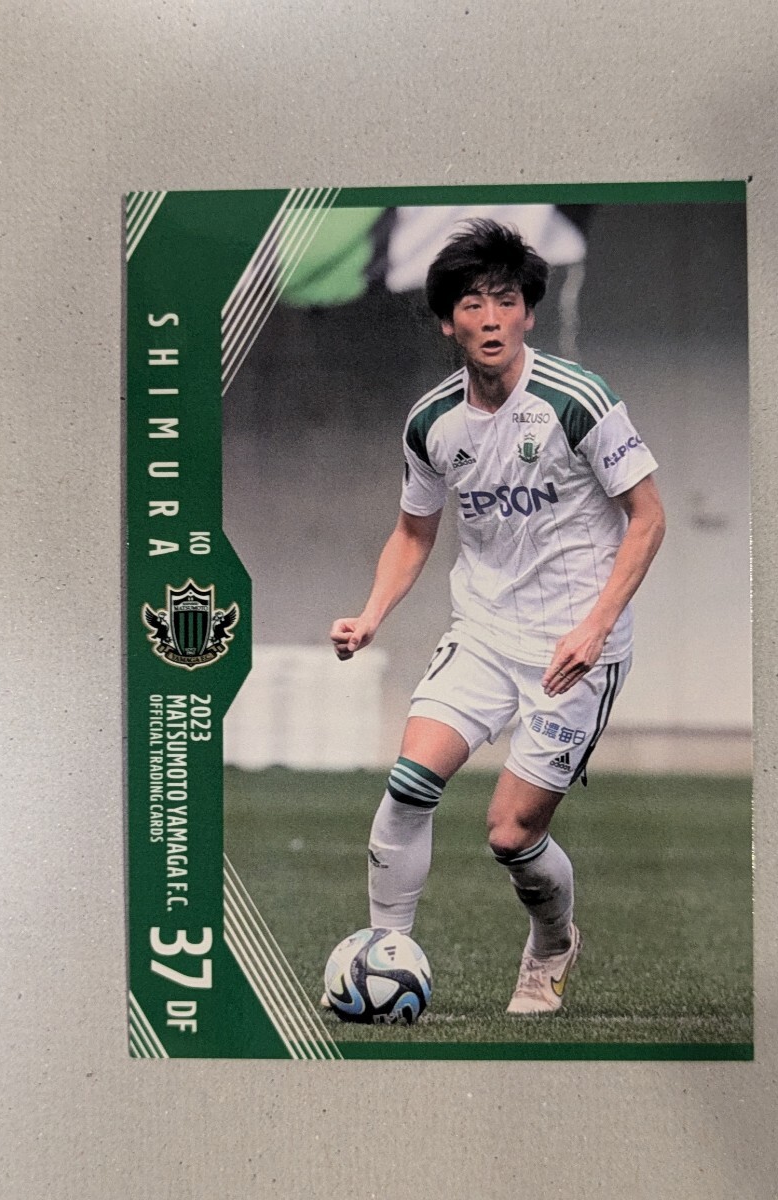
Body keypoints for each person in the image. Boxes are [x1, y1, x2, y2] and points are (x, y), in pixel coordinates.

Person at [329, 219, 665, 1015]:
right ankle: (385, 957)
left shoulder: (577, 400)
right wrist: (371, 614)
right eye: (471, 304)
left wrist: (594, 627)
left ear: (527, 314)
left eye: (504, 301)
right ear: (447, 322)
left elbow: (647, 517)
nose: (489, 319)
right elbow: (413, 532)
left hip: (573, 648)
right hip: (482, 633)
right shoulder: (431, 422)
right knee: (407, 786)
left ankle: (551, 943)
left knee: (510, 835)